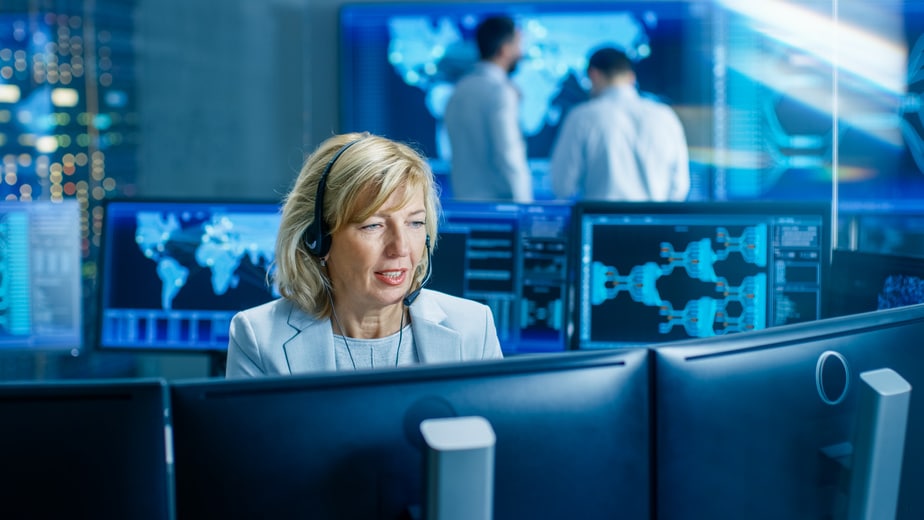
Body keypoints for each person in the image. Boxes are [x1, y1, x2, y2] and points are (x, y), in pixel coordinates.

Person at [226, 132, 503, 377]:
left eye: (415, 223)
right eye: (373, 225)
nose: (401, 248)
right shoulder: (258, 338)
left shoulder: (473, 329)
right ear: (317, 239)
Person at [549, 47, 690, 202]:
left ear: (593, 75)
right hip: (654, 223)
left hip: (599, 224)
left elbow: (562, 186)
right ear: (631, 77)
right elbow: (679, 186)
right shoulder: (665, 116)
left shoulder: (581, 117)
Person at [444, 15, 534, 203]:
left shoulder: (458, 90)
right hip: (501, 211)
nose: (521, 53)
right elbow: (508, 154)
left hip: (465, 204)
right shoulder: (500, 91)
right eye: (518, 45)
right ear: (504, 49)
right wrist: (525, 206)